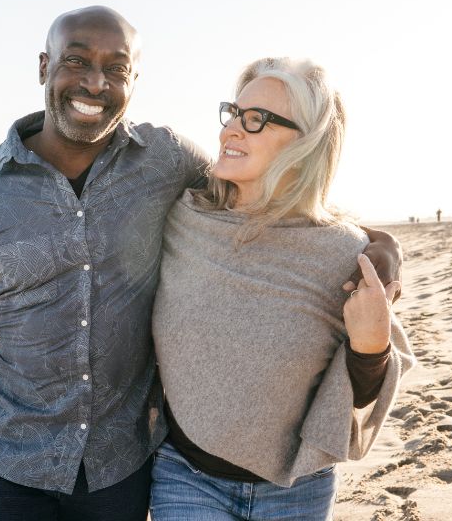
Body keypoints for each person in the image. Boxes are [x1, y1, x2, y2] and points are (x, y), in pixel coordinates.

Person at [0, 6, 404, 521]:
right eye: (76, 61)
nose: (94, 83)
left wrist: (381, 244)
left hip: (120, 466)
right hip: (8, 461)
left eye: (116, 68)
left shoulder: (167, 160)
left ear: (134, 80)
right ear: (45, 67)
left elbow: (271, 197)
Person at [149, 58, 416, 520]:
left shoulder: (342, 254)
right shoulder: (181, 220)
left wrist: (371, 346)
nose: (233, 128)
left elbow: (355, 400)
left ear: (307, 142)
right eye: (234, 112)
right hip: (184, 474)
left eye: (256, 120)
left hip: (298, 486)